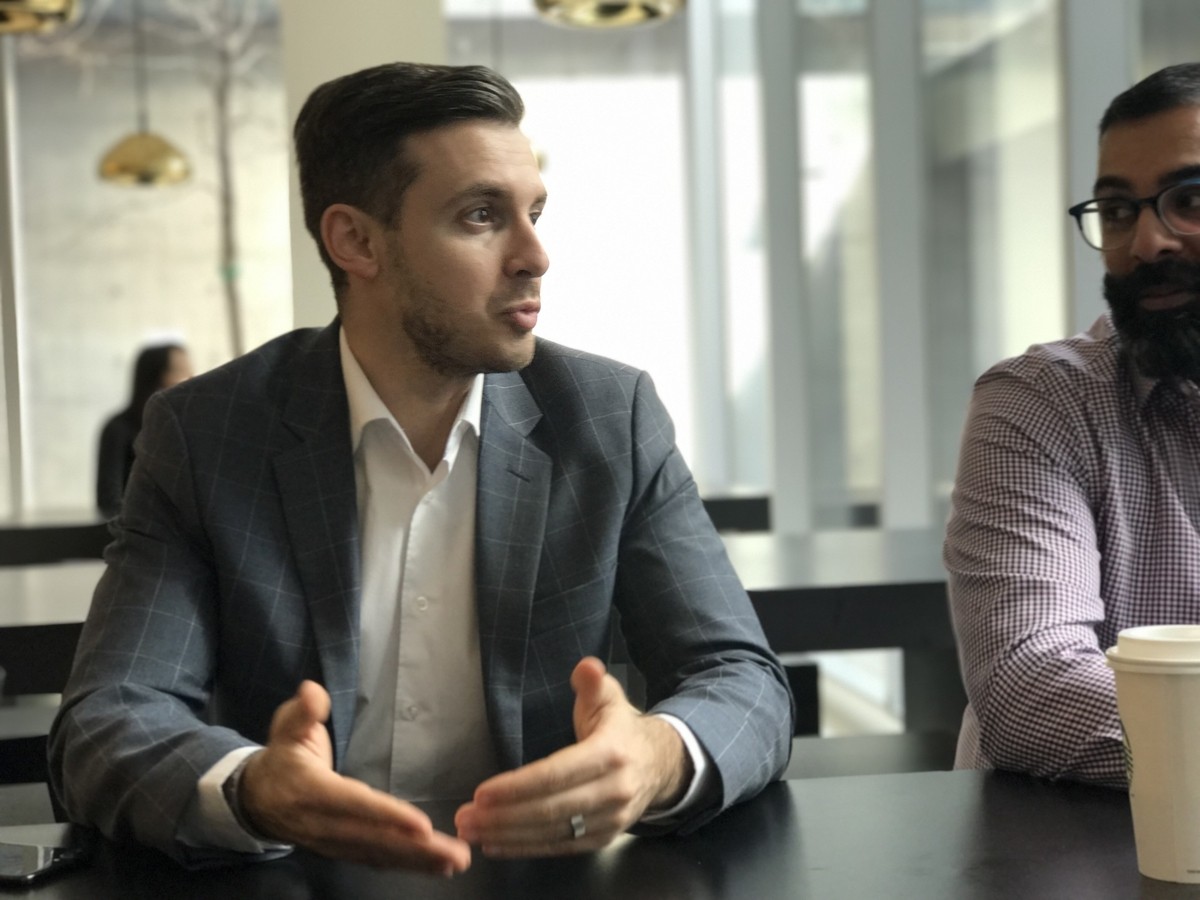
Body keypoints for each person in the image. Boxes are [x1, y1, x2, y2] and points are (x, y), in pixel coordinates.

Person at [49, 62, 793, 873]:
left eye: (534, 213)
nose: (535, 256)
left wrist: (655, 758)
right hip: (294, 881)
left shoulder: (610, 419)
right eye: (482, 216)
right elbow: (107, 720)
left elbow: (743, 678)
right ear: (356, 242)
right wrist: (253, 789)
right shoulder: (208, 434)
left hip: (542, 884)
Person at [945, 62, 1200, 788]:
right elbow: (1028, 682)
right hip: (1077, 842)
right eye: (1117, 210)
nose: (1146, 242)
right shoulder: (1041, 402)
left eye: (1189, 199)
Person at [95, 342, 192, 518]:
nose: (191, 378)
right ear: (156, 378)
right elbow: (109, 501)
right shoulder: (118, 429)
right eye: (180, 371)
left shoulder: (190, 428)